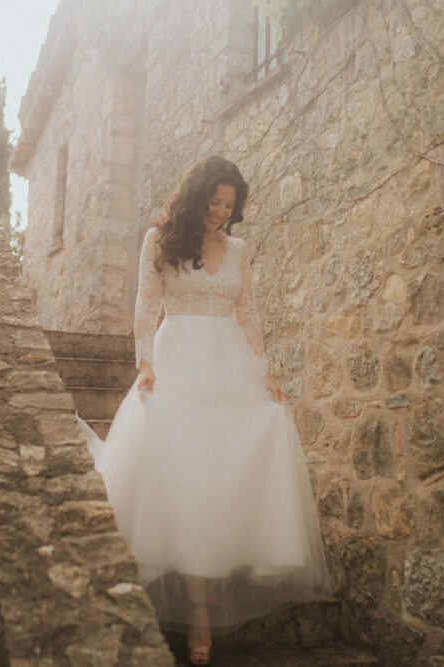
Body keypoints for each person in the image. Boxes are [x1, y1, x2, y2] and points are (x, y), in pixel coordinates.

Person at [77, 155, 333, 665]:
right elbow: (147, 307)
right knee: (188, 478)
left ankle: (212, 578)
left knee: (226, 474)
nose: (221, 211)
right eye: (215, 202)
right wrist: (145, 364)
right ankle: (198, 610)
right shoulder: (161, 240)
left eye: (229, 204)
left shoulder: (237, 249)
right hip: (178, 364)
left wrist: (263, 371)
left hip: (230, 365)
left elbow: (249, 313)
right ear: (197, 197)